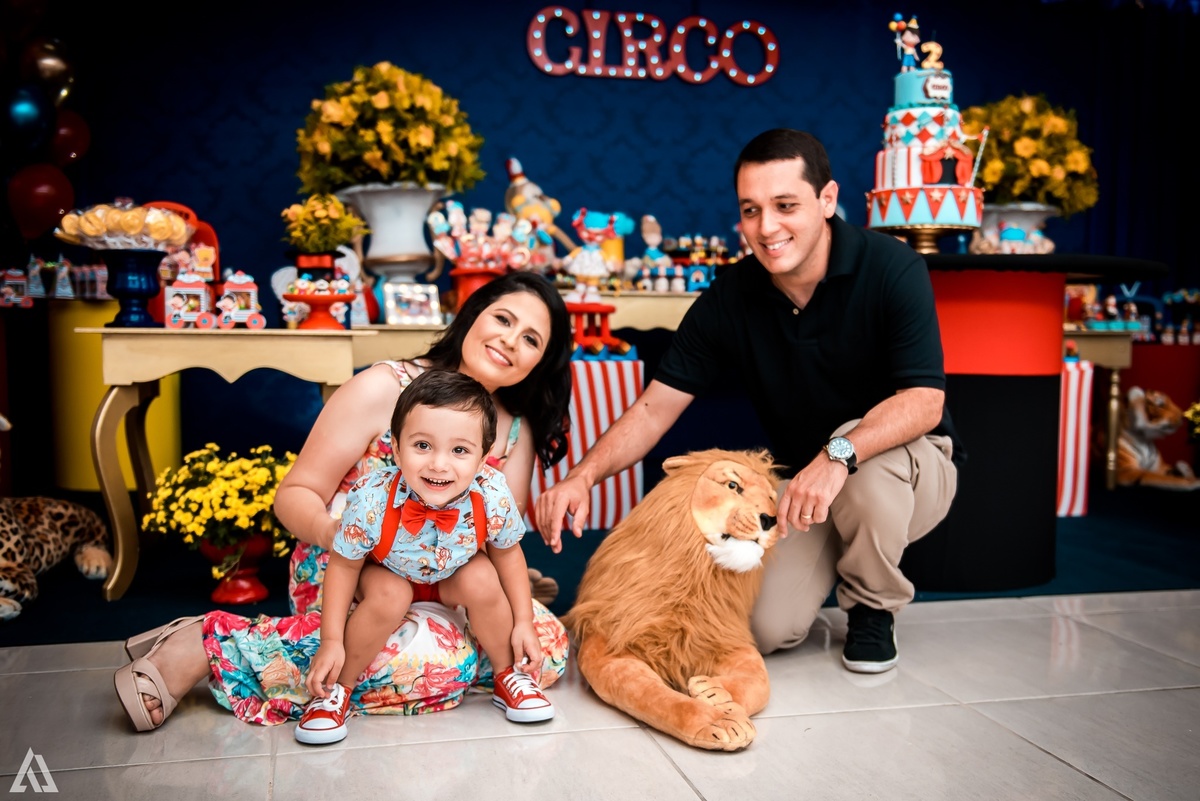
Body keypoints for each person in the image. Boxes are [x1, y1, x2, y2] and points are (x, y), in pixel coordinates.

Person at [535, 128, 961, 674]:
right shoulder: (732, 295)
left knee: (862, 467)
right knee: (759, 628)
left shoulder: (891, 267)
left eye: (785, 206)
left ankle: (873, 609)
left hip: (910, 469)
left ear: (827, 200)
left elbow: (923, 401)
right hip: (805, 487)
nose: (766, 228)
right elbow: (652, 410)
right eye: (751, 210)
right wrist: (582, 477)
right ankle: (835, 558)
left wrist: (836, 456)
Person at [115, 271, 574, 732]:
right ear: (473, 315)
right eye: (503, 319)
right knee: (437, 659)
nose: (511, 340)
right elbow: (295, 495)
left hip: (446, 582)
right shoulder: (385, 386)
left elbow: (494, 544)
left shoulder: (515, 432)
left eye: (531, 338)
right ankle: (206, 644)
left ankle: (406, 659)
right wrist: (335, 535)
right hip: (351, 574)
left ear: (540, 361)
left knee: (547, 648)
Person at [297, 369, 553, 745]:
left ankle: (507, 676)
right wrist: (331, 639)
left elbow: (509, 555)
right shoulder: (371, 499)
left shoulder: (491, 495)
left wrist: (524, 622)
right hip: (388, 572)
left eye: (460, 450)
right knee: (390, 595)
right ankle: (338, 689)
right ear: (396, 449)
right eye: (422, 446)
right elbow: (344, 564)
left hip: (450, 575)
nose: (439, 464)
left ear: (483, 460)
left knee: (482, 577)